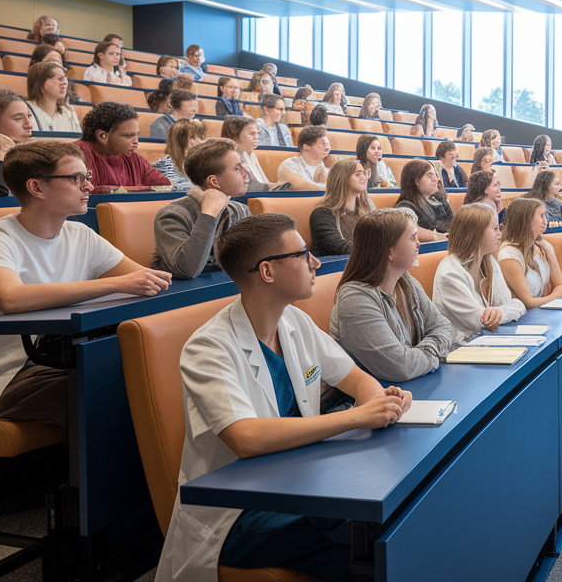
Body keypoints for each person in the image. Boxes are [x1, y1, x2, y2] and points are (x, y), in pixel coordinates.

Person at [157, 213, 409, 582]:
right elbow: (246, 437)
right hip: (240, 514)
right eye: (303, 254)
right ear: (267, 271)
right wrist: (357, 417)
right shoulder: (208, 347)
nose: (316, 262)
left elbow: (357, 379)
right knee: (371, 543)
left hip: (299, 482)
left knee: (389, 519)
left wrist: (380, 403)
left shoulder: (295, 322)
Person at [0, 140, 171, 477]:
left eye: (87, 176)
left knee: (146, 367)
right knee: (117, 383)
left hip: (60, 359)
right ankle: (104, 510)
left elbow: (146, 281)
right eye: (76, 178)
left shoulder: (80, 235)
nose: (90, 185)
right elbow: (11, 298)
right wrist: (115, 284)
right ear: (36, 187)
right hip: (3, 374)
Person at [329, 208, 456, 381]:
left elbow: (443, 326)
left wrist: (423, 353)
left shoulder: (405, 280)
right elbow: (401, 367)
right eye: (413, 238)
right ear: (389, 251)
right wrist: (435, 353)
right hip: (373, 401)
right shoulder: (354, 299)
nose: (419, 243)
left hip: (413, 387)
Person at [151, 137, 251, 278]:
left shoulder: (240, 210)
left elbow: (248, 263)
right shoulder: (171, 215)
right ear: (214, 181)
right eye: (237, 168)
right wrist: (210, 212)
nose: (246, 173)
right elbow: (187, 269)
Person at [432, 204, 525, 344]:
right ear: (474, 233)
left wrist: (499, 313)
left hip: (484, 343)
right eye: (495, 229)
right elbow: (479, 320)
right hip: (457, 351)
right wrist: (500, 313)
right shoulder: (449, 273)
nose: (500, 234)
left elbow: (516, 304)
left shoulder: (490, 262)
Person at [75, 101, 170, 190]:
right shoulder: (75, 156)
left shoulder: (135, 159)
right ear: (102, 136)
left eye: (137, 135)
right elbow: (85, 191)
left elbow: (165, 187)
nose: (136, 141)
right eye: (129, 136)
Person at [498, 198, 562, 308]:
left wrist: (550, 253)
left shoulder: (542, 246)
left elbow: (561, 287)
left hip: (542, 311)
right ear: (525, 220)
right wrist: (553, 296)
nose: (546, 221)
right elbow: (529, 303)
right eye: (541, 216)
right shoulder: (509, 254)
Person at [309, 158, 373, 256]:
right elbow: (335, 245)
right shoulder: (322, 213)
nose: (364, 178)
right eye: (357, 174)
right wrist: (375, 250)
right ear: (342, 178)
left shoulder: (366, 209)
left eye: (364, 173)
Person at [395, 160, 452, 241]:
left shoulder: (440, 200)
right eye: (429, 175)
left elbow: (451, 223)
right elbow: (406, 227)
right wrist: (436, 236)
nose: (435, 179)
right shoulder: (405, 206)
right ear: (417, 181)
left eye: (435, 174)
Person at [151, 119, 208, 191]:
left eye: (201, 137)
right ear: (179, 142)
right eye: (193, 138)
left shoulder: (203, 165)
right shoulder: (162, 166)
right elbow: (180, 190)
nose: (200, 142)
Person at [24, 61, 82, 132]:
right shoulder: (25, 112)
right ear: (40, 83)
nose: (65, 82)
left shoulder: (69, 112)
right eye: (60, 79)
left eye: (65, 78)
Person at [222, 115, 274, 191]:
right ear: (234, 135)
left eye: (257, 133)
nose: (256, 137)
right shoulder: (226, 158)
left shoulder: (251, 154)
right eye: (252, 133)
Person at [277, 125, 330, 191]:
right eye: (323, 144)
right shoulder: (288, 165)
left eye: (328, 145)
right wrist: (333, 188)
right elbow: (300, 186)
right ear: (307, 147)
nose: (328, 148)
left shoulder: (328, 168)